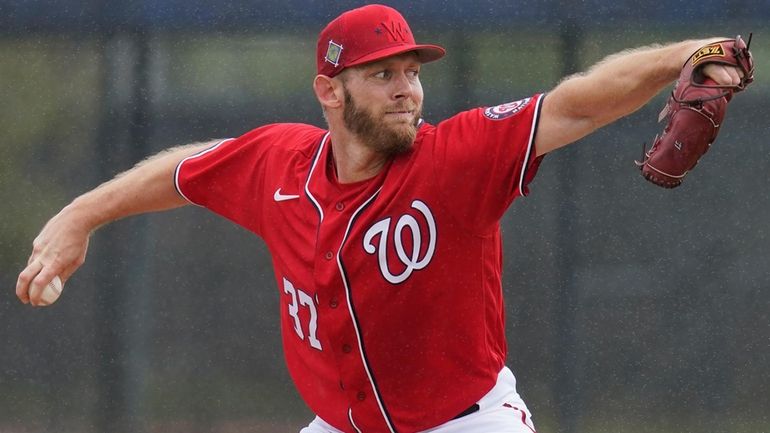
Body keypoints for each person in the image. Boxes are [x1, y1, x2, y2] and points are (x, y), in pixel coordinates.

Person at [16, 4, 747, 433]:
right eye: (382, 75)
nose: (407, 90)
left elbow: (580, 99)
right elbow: (179, 171)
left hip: (468, 422)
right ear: (329, 92)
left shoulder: (456, 158)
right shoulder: (279, 165)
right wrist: (82, 213)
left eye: (412, 72)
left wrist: (685, 52)